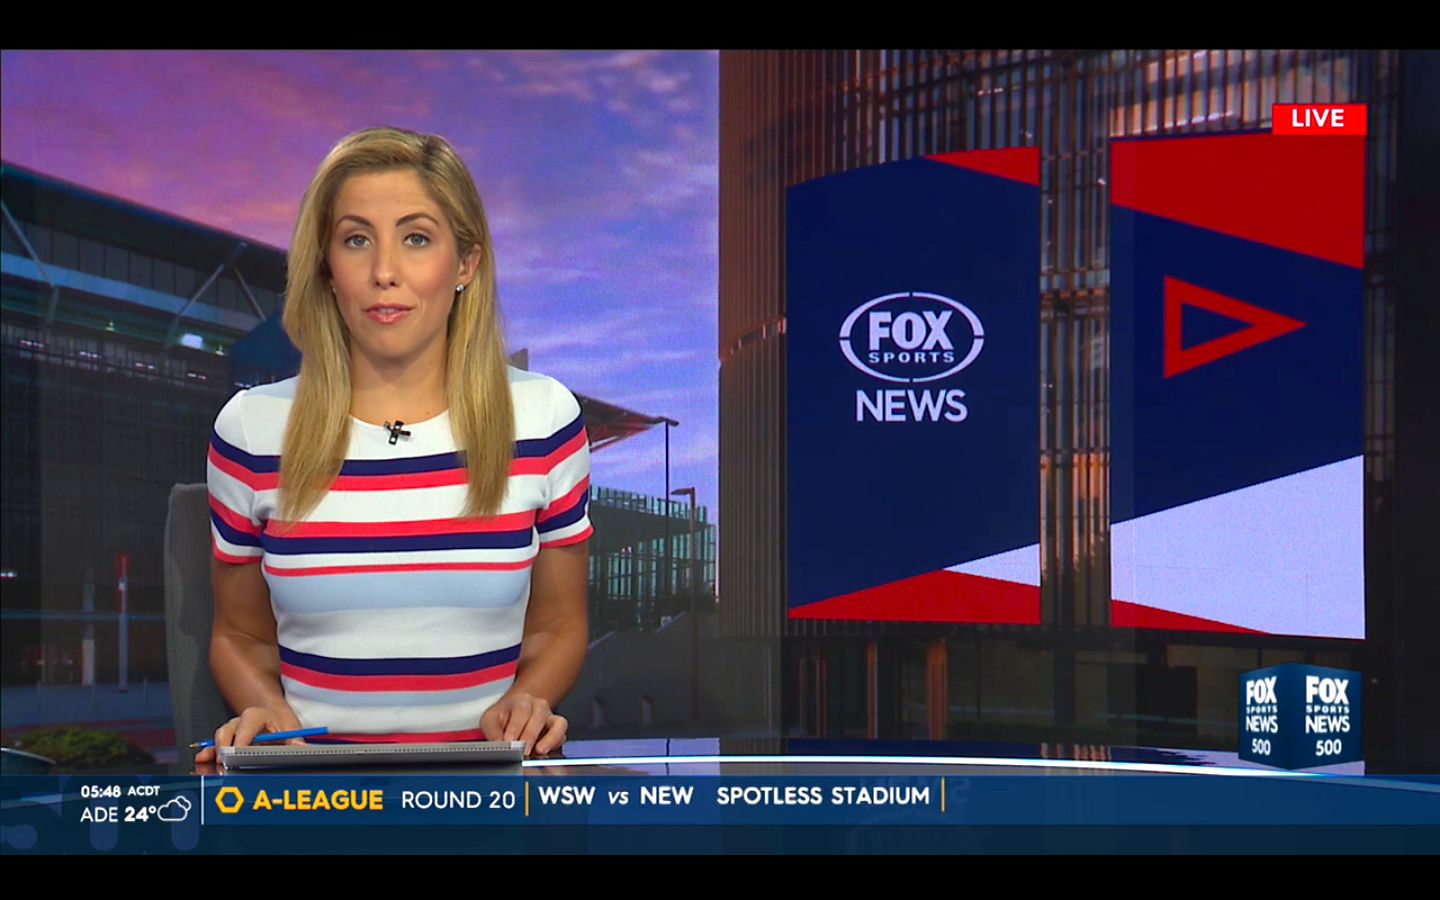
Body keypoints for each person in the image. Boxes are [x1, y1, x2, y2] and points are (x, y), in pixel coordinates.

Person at [197, 126, 591, 764]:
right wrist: (264, 709)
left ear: (465, 264)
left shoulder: (542, 419)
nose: (384, 272)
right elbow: (240, 636)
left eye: (416, 238)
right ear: (326, 267)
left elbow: (557, 626)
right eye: (357, 240)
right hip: (316, 794)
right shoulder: (252, 429)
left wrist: (530, 699)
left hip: (486, 789)